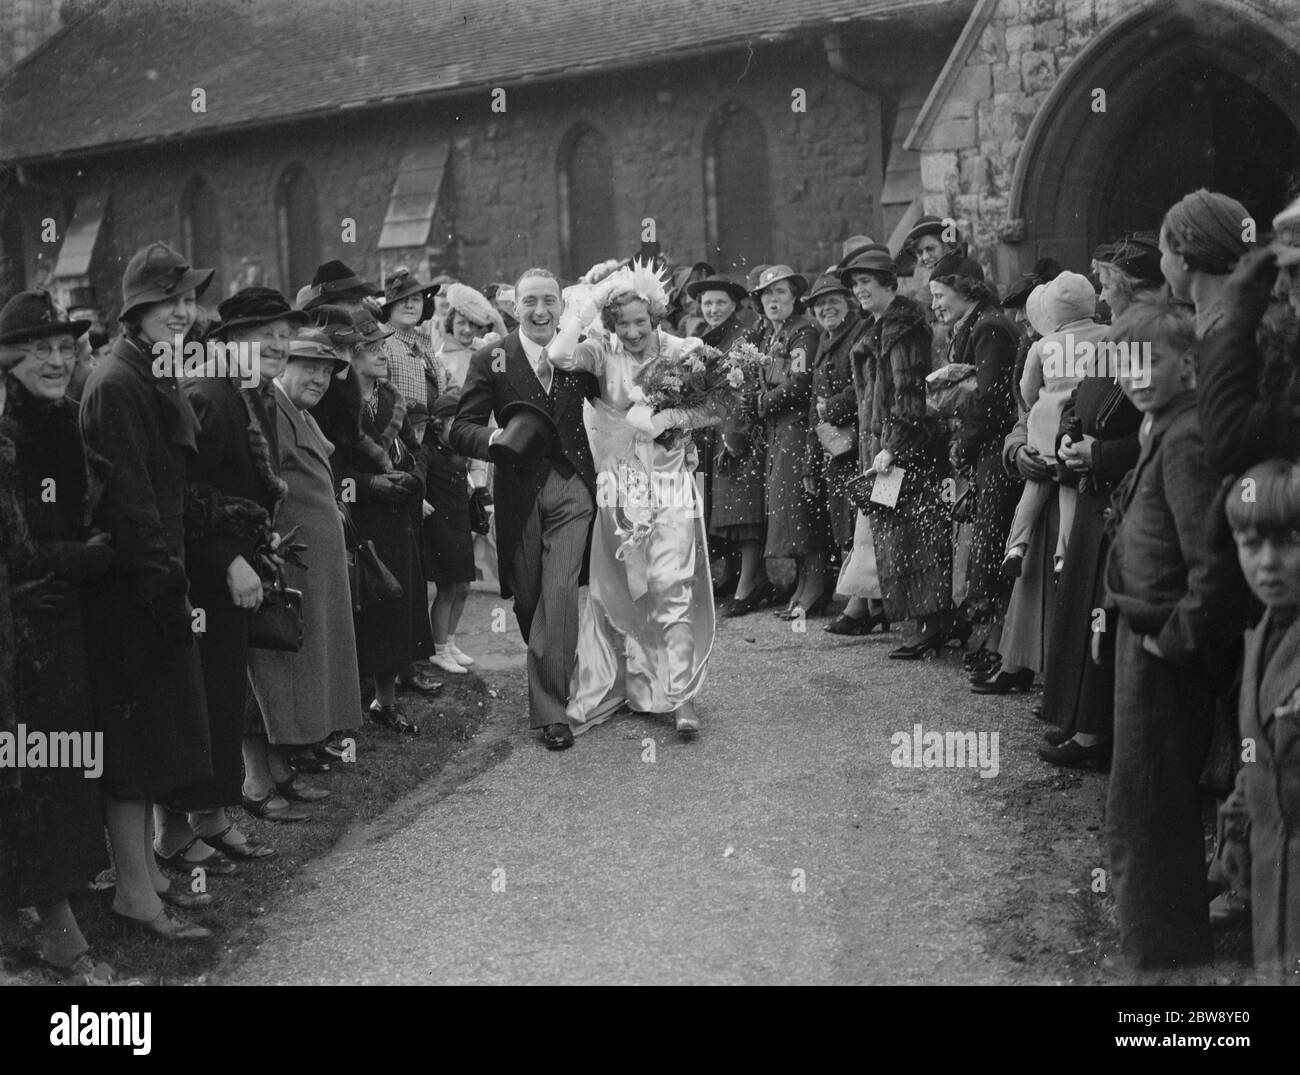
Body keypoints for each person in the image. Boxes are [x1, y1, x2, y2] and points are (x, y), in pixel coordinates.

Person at [79, 242, 214, 941]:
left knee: (155, 735)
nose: (185, 311)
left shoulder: (150, 371)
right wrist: (164, 588)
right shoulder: (116, 383)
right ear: (138, 309)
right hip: (133, 590)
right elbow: (129, 502)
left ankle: (152, 876)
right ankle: (135, 893)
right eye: (171, 301)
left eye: (189, 299)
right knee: (129, 751)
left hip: (159, 580)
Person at [159, 286, 307, 864]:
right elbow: (187, 494)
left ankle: (210, 816)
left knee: (219, 697)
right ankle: (176, 832)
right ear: (227, 343)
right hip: (201, 579)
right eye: (262, 334)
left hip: (228, 578)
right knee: (198, 700)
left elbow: (237, 488)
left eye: (282, 333)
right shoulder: (211, 396)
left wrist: (257, 543)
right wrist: (229, 558)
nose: (276, 343)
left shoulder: (249, 394)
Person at [548, 261, 723, 736]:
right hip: (619, 487)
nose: (630, 332)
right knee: (619, 588)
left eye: (639, 323)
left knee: (672, 583)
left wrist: (672, 421)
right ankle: (621, 683)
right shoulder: (601, 352)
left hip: (670, 486)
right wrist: (583, 310)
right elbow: (559, 356)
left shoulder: (683, 351)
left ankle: (681, 696)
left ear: (656, 317)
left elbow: (718, 403)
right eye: (620, 323)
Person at [0, 292, 117, 979]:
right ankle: (55, 928)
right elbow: (22, 550)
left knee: (62, 767)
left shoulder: (59, 419)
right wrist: (94, 554)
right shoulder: (13, 431)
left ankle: (44, 910)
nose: (55, 357)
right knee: (35, 772)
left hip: (59, 621)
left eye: (64, 346)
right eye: (39, 347)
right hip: (24, 632)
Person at [1103, 299, 1220, 968]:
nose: (1137, 373)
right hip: (1141, 634)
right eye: (1124, 361)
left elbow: (1212, 563)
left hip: (1161, 646)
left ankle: (1165, 967)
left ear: (1188, 363)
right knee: (1137, 803)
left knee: (1149, 811)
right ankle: (1154, 947)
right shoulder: (1163, 425)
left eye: (1151, 360)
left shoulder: (1185, 438)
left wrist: (1174, 638)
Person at [449, 268, 601, 751]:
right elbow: (462, 427)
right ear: (515, 307)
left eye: (549, 301)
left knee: (559, 593)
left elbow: (618, 399)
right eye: (530, 302)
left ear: (562, 305)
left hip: (574, 487)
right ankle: (553, 675)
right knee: (531, 599)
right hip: (518, 491)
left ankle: (551, 712)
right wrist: (495, 439)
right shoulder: (491, 357)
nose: (540, 311)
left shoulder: (584, 351)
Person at [246, 328, 362, 795]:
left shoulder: (297, 411)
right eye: (308, 366)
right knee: (278, 669)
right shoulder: (272, 409)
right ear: (284, 365)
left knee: (297, 667)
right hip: (289, 563)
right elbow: (261, 486)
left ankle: (281, 768)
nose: (318, 377)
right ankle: (263, 777)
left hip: (311, 563)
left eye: (326, 370)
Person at [315, 307, 433, 732]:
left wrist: (415, 476)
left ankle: (387, 701)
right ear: (352, 354)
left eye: (384, 345)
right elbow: (334, 472)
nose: (384, 353)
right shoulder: (334, 404)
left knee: (398, 606)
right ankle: (347, 711)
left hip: (399, 517)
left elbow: (415, 448)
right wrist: (371, 486)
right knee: (365, 613)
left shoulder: (392, 398)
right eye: (373, 347)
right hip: (360, 521)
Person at [844, 248, 948, 651]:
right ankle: (923, 622)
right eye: (855, 284)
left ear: (889, 283)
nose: (859, 290)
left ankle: (931, 625)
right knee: (893, 535)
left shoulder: (903, 328)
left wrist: (891, 448)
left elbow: (910, 394)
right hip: (885, 449)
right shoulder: (879, 325)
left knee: (913, 537)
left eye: (866, 282)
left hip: (904, 451)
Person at [1223, 458, 1300, 980]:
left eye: (1290, 541)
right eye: (1251, 544)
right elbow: (1254, 758)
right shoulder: (1262, 635)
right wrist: (1235, 834)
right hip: (1275, 896)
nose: (1267, 563)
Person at [932, 255, 1020, 665]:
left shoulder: (989, 328)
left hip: (993, 448)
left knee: (993, 540)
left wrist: (962, 444)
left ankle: (1001, 640)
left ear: (964, 288)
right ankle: (994, 635)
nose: (935, 306)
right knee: (984, 541)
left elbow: (990, 399)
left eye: (939, 295)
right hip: (983, 445)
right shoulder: (976, 324)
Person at [1003, 272, 1107, 580]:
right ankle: (1063, 558)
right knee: (1069, 489)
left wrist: (1040, 400)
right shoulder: (1107, 335)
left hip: (1043, 427)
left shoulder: (1043, 345)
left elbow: (1027, 389)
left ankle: (1015, 548)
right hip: (1079, 427)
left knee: (1032, 492)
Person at [750, 265, 830, 619]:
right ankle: (801, 584)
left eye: (780, 292)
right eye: (766, 294)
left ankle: (815, 586)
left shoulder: (803, 331)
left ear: (795, 296)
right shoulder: (772, 333)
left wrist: (759, 404)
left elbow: (799, 383)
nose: (772, 300)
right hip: (778, 430)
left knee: (802, 509)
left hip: (798, 429)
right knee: (788, 511)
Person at [689, 274, 756, 601]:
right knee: (714, 507)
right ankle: (729, 573)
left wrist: (734, 434)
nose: (713, 309)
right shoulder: (699, 337)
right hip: (704, 433)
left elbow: (742, 388)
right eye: (707, 303)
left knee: (737, 508)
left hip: (731, 428)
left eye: (720, 303)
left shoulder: (741, 337)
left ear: (733, 306)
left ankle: (749, 581)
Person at [419, 389, 479, 674]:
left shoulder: (457, 451)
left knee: (464, 587)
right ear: (439, 422)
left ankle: (450, 641)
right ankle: (439, 649)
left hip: (459, 521)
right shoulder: (427, 454)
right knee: (447, 588)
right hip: (439, 526)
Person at [379, 267, 446, 408]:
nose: (409, 305)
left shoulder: (424, 342)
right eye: (402, 300)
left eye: (415, 299)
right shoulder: (382, 343)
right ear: (390, 306)